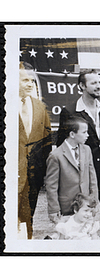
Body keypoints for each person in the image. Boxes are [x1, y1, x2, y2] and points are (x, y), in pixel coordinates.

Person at [56, 69, 100, 239]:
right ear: (82, 86)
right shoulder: (69, 111)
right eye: (94, 83)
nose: (99, 86)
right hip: (82, 173)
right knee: (82, 214)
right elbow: (62, 144)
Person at [18, 62, 52, 239]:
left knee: (27, 219)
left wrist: (45, 174)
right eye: (25, 80)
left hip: (33, 177)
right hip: (11, 178)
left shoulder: (40, 107)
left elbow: (47, 142)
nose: (30, 83)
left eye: (32, 80)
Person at [45, 116, 98, 223]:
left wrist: (94, 201)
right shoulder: (56, 155)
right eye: (84, 132)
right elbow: (51, 186)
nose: (87, 135)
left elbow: (93, 178)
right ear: (72, 134)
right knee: (69, 235)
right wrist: (54, 209)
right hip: (67, 207)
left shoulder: (86, 150)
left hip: (86, 206)